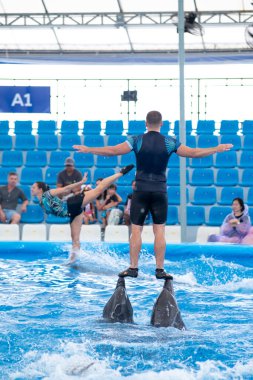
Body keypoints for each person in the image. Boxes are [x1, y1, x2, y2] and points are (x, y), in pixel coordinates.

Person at [73, 110, 233, 280]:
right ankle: (160, 269)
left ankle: (133, 268)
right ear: (162, 124)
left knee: (136, 231)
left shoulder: (136, 140)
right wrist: (216, 148)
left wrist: (89, 149)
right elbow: (193, 153)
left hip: (141, 191)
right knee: (159, 231)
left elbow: (113, 151)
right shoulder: (169, 142)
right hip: (159, 191)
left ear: (145, 123)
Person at [31, 165, 134, 263]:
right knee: (75, 240)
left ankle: (121, 173)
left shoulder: (48, 194)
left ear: (40, 189)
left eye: (34, 187)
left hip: (73, 202)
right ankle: (73, 262)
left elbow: (66, 189)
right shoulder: (41, 202)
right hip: (72, 213)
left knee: (98, 190)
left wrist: (81, 182)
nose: (32, 189)